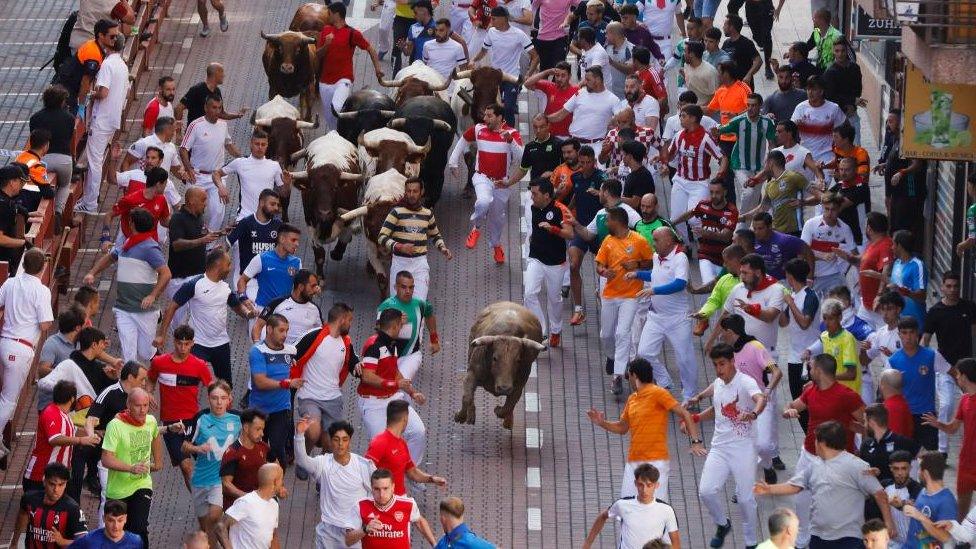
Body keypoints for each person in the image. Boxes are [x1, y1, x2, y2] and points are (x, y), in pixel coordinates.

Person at [753, 421, 895, 548]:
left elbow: (879, 494)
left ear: (821, 443)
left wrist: (889, 523)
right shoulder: (814, 466)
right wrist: (769, 488)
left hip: (849, 538)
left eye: (815, 439)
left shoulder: (856, 466)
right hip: (818, 536)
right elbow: (795, 486)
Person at [588, 356, 703, 500]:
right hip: (633, 462)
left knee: (654, 509)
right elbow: (623, 427)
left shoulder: (658, 393)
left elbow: (685, 413)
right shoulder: (632, 399)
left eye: (628, 375)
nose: (628, 379)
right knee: (628, 506)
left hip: (656, 462)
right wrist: (602, 422)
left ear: (634, 375)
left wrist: (696, 442)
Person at [781, 354, 865, 547]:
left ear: (818, 370)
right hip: (809, 454)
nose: (809, 372)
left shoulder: (847, 395)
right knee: (801, 500)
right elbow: (791, 406)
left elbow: (866, 422)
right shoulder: (811, 391)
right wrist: (789, 411)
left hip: (836, 462)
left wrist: (861, 448)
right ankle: (802, 541)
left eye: (810, 368)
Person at [691, 343, 766, 548]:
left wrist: (753, 413)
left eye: (722, 364)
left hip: (744, 449)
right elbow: (715, 402)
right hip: (719, 449)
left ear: (733, 361)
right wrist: (696, 414)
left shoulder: (746, 382)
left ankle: (751, 542)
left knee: (744, 499)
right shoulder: (718, 382)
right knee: (706, 491)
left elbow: (760, 398)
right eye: (715, 364)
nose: (718, 369)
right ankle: (722, 525)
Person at [84, 209, 172, 364]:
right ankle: (131, 385)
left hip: (145, 311)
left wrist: (153, 296)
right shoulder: (126, 244)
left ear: (132, 223)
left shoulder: (150, 248)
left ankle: (159, 367)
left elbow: (166, 274)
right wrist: (92, 272)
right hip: (123, 308)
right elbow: (110, 258)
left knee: (146, 353)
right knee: (129, 355)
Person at [628, 228, 698, 399]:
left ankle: (690, 395)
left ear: (668, 241)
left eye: (656, 240)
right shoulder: (656, 257)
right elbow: (655, 274)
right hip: (656, 317)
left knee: (684, 359)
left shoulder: (680, 257)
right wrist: (638, 274)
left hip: (678, 318)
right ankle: (665, 381)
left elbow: (680, 283)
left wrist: (654, 291)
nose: (653, 243)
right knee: (644, 353)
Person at [449, 103, 524, 264]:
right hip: (481, 177)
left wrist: (511, 142)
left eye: (489, 116)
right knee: (482, 202)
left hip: (502, 183)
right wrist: (452, 162)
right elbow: (463, 140)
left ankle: (496, 245)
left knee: (497, 219)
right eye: (485, 115)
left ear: (500, 118)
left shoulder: (512, 133)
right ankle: (476, 229)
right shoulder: (478, 129)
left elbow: (522, 158)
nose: (485, 118)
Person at [0, 248, 55, 459]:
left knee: (6, 396)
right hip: (21, 349)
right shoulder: (41, 291)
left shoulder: (11, 283)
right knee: (8, 399)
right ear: (42, 268)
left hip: (5, 342)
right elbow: (44, 324)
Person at [591, 207, 652, 394]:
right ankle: (612, 356)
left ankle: (617, 376)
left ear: (618, 221)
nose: (606, 223)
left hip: (630, 296)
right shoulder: (608, 241)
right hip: (610, 294)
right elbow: (599, 264)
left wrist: (637, 264)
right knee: (606, 335)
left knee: (622, 333)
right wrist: (603, 271)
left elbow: (650, 262)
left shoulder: (639, 240)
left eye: (608, 220)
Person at [145, 325, 213, 491]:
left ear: (192, 344)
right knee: (186, 467)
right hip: (170, 423)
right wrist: (149, 393)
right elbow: (150, 379)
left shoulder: (199, 365)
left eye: (187, 344)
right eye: (179, 344)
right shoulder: (159, 363)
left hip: (194, 421)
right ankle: (201, 507)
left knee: (208, 465)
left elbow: (212, 388)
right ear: (173, 342)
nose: (183, 348)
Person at [359, 311, 430, 468]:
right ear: (395, 326)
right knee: (379, 449)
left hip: (393, 400)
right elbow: (367, 377)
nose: (402, 329)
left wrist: (413, 392)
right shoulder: (373, 346)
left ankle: (410, 471)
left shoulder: (392, 344)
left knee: (418, 432)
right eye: (401, 325)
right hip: (372, 404)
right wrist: (394, 385)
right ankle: (374, 484)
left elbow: (395, 372)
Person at [289, 302, 356, 464]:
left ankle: (323, 475)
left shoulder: (345, 342)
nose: (351, 324)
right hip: (309, 396)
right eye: (350, 320)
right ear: (341, 320)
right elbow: (291, 352)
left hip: (333, 398)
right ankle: (302, 460)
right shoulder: (314, 335)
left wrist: (358, 365)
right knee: (313, 431)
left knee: (330, 442)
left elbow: (353, 361)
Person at [294, 418, 375, 548]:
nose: (340, 444)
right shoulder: (323, 463)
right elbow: (302, 461)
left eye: (345, 439)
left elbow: (375, 492)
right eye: (336, 439)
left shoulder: (363, 465)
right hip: (329, 533)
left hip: (355, 531)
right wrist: (299, 435)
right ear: (331, 442)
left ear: (350, 441)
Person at [100, 388, 163, 547]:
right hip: (118, 489)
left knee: (139, 527)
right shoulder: (115, 425)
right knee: (119, 531)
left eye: (145, 405)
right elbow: (106, 459)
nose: (142, 410)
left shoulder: (150, 421)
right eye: (137, 406)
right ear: (128, 404)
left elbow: (155, 435)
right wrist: (131, 468)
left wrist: (159, 461)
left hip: (141, 484)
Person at [661, 105, 728, 246]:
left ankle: (703, 243)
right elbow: (670, 154)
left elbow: (722, 157)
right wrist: (663, 162)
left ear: (693, 118)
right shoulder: (679, 135)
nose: (680, 118)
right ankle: (684, 244)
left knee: (694, 219)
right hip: (680, 180)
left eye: (683, 116)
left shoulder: (706, 138)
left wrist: (720, 173)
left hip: (700, 184)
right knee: (676, 217)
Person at [184, 380, 240, 547]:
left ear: (229, 399)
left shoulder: (238, 419)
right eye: (215, 398)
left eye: (223, 398)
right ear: (208, 399)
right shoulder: (201, 418)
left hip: (220, 479)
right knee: (206, 527)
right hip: (200, 480)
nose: (219, 402)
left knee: (214, 517)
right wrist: (198, 448)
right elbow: (184, 446)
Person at [376, 178, 452, 300]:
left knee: (419, 303)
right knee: (398, 304)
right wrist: (399, 246)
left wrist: (442, 248)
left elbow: (435, 235)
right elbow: (382, 237)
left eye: (415, 191)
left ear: (421, 192)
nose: (411, 195)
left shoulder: (427, 214)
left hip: (420, 264)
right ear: (405, 192)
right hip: (400, 263)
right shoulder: (396, 212)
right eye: (408, 191)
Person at [79, 26, 128, 214]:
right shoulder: (122, 65)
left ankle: (90, 202)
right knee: (97, 159)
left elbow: (104, 92)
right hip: (112, 118)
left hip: (103, 118)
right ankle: (89, 199)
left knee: (94, 160)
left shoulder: (108, 65)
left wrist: (91, 94)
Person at [23, 380, 99, 497]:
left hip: (56, 477)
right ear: (72, 399)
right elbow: (54, 439)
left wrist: (94, 435)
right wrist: (80, 441)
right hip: (41, 477)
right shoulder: (51, 412)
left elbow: (74, 431)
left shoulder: (64, 415)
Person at [179, 95, 242, 232]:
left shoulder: (223, 125)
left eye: (219, 108)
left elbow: (228, 145)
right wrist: (189, 169)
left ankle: (210, 244)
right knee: (192, 211)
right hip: (197, 176)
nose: (217, 111)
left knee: (218, 212)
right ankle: (193, 237)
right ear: (205, 108)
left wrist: (242, 157)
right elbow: (183, 149)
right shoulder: (195, 125)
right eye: (214, 107)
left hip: (216, 177)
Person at [316, 2, 384, 130]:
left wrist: (377, 69)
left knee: (336, 108)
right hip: (324, 82)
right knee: (330, 118)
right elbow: (318, 55)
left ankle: (344, 129)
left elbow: (370, 49)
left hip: (344, 79)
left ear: (337, 14)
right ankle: (336, 136)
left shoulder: (352, 33)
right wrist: (326, 44)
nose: (327, 16)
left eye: (329, 13)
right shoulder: (325, 30)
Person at [887, 317, 951, 454]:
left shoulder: (931, 355)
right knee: (903, 457)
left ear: (917, 333)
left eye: (911, 332)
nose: (908, 337)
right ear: (899, 335)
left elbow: (953, 372)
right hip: (903, 414)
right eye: (904, 333)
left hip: (926, 415)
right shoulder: (892, 361)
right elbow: (885, 389)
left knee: (931, 460)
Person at [582, 463, 681, 549]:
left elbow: (675, 543)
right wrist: (587, 545)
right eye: (641, 485)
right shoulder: (622, 505)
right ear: (635, 484)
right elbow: (603, 516)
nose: (644, 490)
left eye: (649, 485)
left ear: (656, 485)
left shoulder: (667, 510)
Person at [524, 178, 573, 346]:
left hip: (555, 263)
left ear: (546, 195)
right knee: (529, 293)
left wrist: (552, 229)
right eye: (531, 193)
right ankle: (541, 332)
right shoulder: (532, 207)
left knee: (555, 300)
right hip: (536, 258)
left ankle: (556, 330)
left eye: (535, 194)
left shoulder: (560, 210)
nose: (532, 197)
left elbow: (570, 234)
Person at [925, 357, 976, 515]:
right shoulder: (964, 400)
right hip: (966, 460)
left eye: (958, 374)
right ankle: (961, 538)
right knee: (962, 504)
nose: (957, 377)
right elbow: (953, 428)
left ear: (965, 376)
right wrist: (938, 424)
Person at [715, 94, 776, 224]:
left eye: (753, 105)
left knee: (754, 199)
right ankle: (739, 224)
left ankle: (750, 231)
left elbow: (771, 144)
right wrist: (714, 130)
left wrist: (770, 163)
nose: (750, 108)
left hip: (760, 167)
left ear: (760, 106)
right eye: (748, 105)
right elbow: (720, 130)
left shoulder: (767, 123)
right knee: (749, 192)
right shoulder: (738, 121)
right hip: (740, 165)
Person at [247, 314, 299, 467]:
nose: (285, 335)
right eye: (281, 330)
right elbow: (260, 382)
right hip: (259, 410)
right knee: (257, 451)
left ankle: (278, 487)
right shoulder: (257, 351)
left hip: (281, 409)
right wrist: (286, 384)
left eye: (287, 331)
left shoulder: (291, 351)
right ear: (269, 329)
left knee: (277, 449)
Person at [365, 399, 446, 497]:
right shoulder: (379, 443)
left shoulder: (402, 443)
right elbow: (365, 472)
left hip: (401, 499)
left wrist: (433, 479)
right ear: (405, 419)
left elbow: (412, 472)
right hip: (384, 502)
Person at [162, 187, 215, 332]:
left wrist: (212, 236)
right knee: (178, 321)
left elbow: (200, 234)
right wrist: (202, 240)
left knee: (199, 317)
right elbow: (177, 244)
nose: (206, 203)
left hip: (198, 277)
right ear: (192, 201)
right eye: (203, 200)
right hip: (180, 279)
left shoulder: (199, 216)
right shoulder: (178, 219)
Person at [473, 7, 537, 126]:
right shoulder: (491, 32)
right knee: (488, 107)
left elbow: (535, 56)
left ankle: (509, 135)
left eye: (494, 19)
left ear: (504, 19)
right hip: (494, 77)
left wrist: (528, 74)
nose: (491, 22)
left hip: (511, 77)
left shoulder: (519, 34)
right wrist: (473, 60)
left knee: (508, 109)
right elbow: (483, 51)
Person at [346, 468, 438, 548]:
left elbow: (420, 522)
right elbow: (348, 541)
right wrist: (365, 530)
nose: (381, 494)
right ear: (371, 488)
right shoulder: (360, 506)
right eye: (377, 489)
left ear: (393, 487)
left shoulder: (408, 504)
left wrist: (435, 545)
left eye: (385, 488)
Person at [779, 258, 820, 433]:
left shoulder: (810, 296)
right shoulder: (793, 296)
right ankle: (809, 439)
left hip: (811, 359)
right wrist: (781, 305)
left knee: (811, 405)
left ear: (790, 276)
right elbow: (783, 323)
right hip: (793, 358)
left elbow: (805, 323)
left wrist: (790, 303)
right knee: (799, 403)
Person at [213, 128, 288, 221]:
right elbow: (216, 174)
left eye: (263, 144)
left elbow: (284, 193)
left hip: (267, 218)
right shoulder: (240, 163)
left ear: (267, 146)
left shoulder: (274, 166)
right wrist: (221, 187)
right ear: (251, 144)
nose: (260, 147)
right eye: (257, 144)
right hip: (244, 217)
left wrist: (287, 184)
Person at [673, 180, 738, 284]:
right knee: (708, 283)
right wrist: (673, 223)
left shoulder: (731, 211)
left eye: (717, 192)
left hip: (724, 258)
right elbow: (690, 214)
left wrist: (706, 233)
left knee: (718, 289)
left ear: (725, 192)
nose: (713, 195)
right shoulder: (703, 205)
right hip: (705, 254)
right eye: (711, 192)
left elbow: (726, 236)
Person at [547, 67, 621, 157]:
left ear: (597, 80)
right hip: (574, 146)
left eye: (588, 80)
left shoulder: (613, 99)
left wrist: (612, 123)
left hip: (596, 147)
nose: (585, 82)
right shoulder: (580, 93)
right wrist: (544, 119)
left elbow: (620, 122)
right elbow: (560, 115)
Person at [11, 463, 88, 548]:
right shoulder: (29, 499)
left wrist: (62, 541)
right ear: (44, 481)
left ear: (66, 484)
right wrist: (14, 543)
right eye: (52, 484)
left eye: (61, 484)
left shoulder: (73, 508)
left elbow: (84, 542)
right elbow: (22, 515)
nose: (56, 490)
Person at [877, 109, 927, 236]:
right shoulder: (896, 139)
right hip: (896, 194)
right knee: (894, 225)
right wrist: (885, 165)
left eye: (891, 121)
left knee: (902, 227)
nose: (888, 124)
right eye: (888, 121)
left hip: (907, 195)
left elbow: (917, 164)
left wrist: (901, 173)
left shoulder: (908, 141)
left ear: (900, 123)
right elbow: (898, 161)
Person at [212, 463, 284, 549]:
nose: (282, 483)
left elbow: (272, 535)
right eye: (281, 479)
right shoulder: (246, 502)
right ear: (275, 482)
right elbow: (220, 526)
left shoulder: (274, 504)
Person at [227, 189, 282, 297]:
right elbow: (227, 244)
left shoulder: (278, 226)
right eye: (272, 204)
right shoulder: (246, 223)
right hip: (250, 281)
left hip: (270, 280)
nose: (276, 208)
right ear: (261, 203)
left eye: (277, 205)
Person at [237, 223, 303, 312]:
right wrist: (244, 298)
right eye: (293, 240)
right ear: (282, 239)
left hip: (285, 313)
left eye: (298, 241)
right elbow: (242, 280)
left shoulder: (297, 263)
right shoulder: (261, 259)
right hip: (262, 310)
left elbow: (300, 288)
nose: (297, 244)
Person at [29, 85, 75, 212]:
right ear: (61, 101)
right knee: (65, 185)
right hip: (64, 160)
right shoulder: (69, 118)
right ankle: (59, 211)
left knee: (41, 185)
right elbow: (70, 137)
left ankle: (41, 209)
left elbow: (33, 139)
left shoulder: (35, 118)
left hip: (43, 160)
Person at [800, 193, 856, 297]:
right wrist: (822, 256)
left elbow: (855, 256)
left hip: (834, 276)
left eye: (833, 209)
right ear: (822, 207)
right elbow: (802, 253)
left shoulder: (845, 228)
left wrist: (843, 255)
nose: (829, 213)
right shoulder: (810, 224)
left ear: (839, 209)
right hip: (812, 276)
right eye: (826, 209)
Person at [804, 298, 862, 396]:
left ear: (840, 317)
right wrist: (808, 351)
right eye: (825, 318)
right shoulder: (824, 336)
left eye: (831, 319)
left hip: (848, 394)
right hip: (832, 392)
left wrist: (824, 377)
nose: (826, 323)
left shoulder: (847, 339)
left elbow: (851, 374)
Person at [251, 269, 322, 345]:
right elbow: (258, 326)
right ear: (301, 287)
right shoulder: (277, 303)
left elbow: (321, 334)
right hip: (277, 355)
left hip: (303, 356)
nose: (315, 290)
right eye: (312, 286)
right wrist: (257, 346)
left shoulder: (315, 309)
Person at [902, 453, 958, 547]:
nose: (918, 473)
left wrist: (920, 516)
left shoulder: (947, 501)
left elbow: (945, 537)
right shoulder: (923, 491)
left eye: (920, 470)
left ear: (926, 473)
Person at [858, 404, 919, 489]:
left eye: (865, 421)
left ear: (871, 422)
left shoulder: (902, 442)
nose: (864, 425)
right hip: (872, 496)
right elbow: (861, 472)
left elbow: (922, 458)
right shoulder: (866, 445)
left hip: (897, 497)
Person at [220, 408, 270, 509]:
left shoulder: (263, 447)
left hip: (259, 504)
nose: (262, 434)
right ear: (246, 428)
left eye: (262, 429)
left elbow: (275, 464)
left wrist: (278, 486)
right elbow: (226, 485)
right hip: (237, 508)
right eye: (258, 429)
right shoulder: (232, 453)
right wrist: (247, 498)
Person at [791, 76, 847, 165]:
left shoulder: (833, 108)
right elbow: (790, 132)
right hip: (805, 156)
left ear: (821, 91)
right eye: (808, 89)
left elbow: (845, 131)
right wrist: (796, 126)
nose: (810, 92)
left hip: (826, 156)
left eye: (814, 89)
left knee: (823, 179)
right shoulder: (800, 108)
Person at [175, 63, 248, 125]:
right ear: (215, 73)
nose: (224, 75)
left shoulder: (217, 91)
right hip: (195, 134)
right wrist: (178, 132)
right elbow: (179, 108)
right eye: (222, 72)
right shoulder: (197, 89)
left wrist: (237, 115)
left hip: (208, 132)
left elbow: (221, 114)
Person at [821, 40, 863, 143]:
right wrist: (851, 101)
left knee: (855, 146)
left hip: (852, 114)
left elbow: (858, 89)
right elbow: (830, 96)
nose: (840, 54)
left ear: (847, 51)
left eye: (843, 51)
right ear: (833, 52)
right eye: (837, 51)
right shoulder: (830, 73)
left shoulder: (855, 68)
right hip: (836, 116)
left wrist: (852, 106)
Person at [525, 65, 578, 140]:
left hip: (569, 136)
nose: (559, 79)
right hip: (549, 136)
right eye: (557, 75)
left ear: (569, 76)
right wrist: (547, 72)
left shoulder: (576, 90)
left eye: (563, 76)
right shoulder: (549, 86)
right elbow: (527, 84)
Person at [885, 230, 927, 324]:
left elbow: (922, 296)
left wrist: (903, 291)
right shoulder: (897, 263)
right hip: (897, 322)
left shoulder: (917, 265)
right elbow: (893, 286)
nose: (891, 247)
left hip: (914, 323)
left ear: (899, 246)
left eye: (893, 244)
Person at [507, 115, 563, 185]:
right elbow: (523, 170)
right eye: (535, 127)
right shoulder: (529, 147)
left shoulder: (559, 144)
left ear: (548, 126)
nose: (538, 130)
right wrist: (508, 183)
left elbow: (567, 168)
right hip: (536, 190)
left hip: (553, 189)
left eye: (541, 127)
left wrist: (553, 173)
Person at [882, 450, 921, 547]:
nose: (900, 473)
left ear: (910, 468)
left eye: (904, 468)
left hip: (914, 544)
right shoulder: (884, 486)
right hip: (892, 543)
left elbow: (921, 511)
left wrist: (902, 505)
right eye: (896, 468)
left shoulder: (918, 489)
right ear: (890, 468)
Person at [69, 499, 143, 548]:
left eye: (120, 520)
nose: (116, 526)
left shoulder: (136, 541)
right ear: (104, 518)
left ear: (125, 519)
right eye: (111, 520)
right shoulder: (90, 540)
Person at [0, 166, 32, 273]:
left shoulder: (6, 202)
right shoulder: (4, 206)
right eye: (20, 182)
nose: (22, 186)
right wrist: (23, 243)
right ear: (12, 182)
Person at [422, 18, 470, 84]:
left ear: (448, 30)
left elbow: (463, 70)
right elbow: (424, 65)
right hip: (431, 85)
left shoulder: (457, 47)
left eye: (441, 30)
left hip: (449, 88)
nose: (437, 33)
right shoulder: (427, 45)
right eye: (436, 30)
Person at [531, 0, 576, 70]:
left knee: (559, 68)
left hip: (561, 36)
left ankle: (555, 80)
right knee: (544, 69)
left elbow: (581, 6)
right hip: (543, 37)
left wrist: (571, 16)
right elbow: (533, 7)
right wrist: (533, 26)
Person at [719, 15, 761, 88]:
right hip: (729, 85)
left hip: (743, 85)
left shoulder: (746, 43)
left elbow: (758, 61)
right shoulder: (726, 43)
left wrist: (749, 75)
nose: (723, 27)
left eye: (725, 25)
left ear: (731, 27)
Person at [681, 41, 720, 108]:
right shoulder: (686, 66)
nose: (683, 54)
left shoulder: (709, 72)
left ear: (691, 54)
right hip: (690, 108)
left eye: (685, 52)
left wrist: (702, 109)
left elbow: (715, 95)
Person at [603, 22, 634, 99]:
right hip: (608, 94)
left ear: (614, 35)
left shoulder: (630, 49)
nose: (605, 36)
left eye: (607, 33)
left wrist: (612, 62)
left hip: (624, 96)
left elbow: (630, 70)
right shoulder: (607, 47)